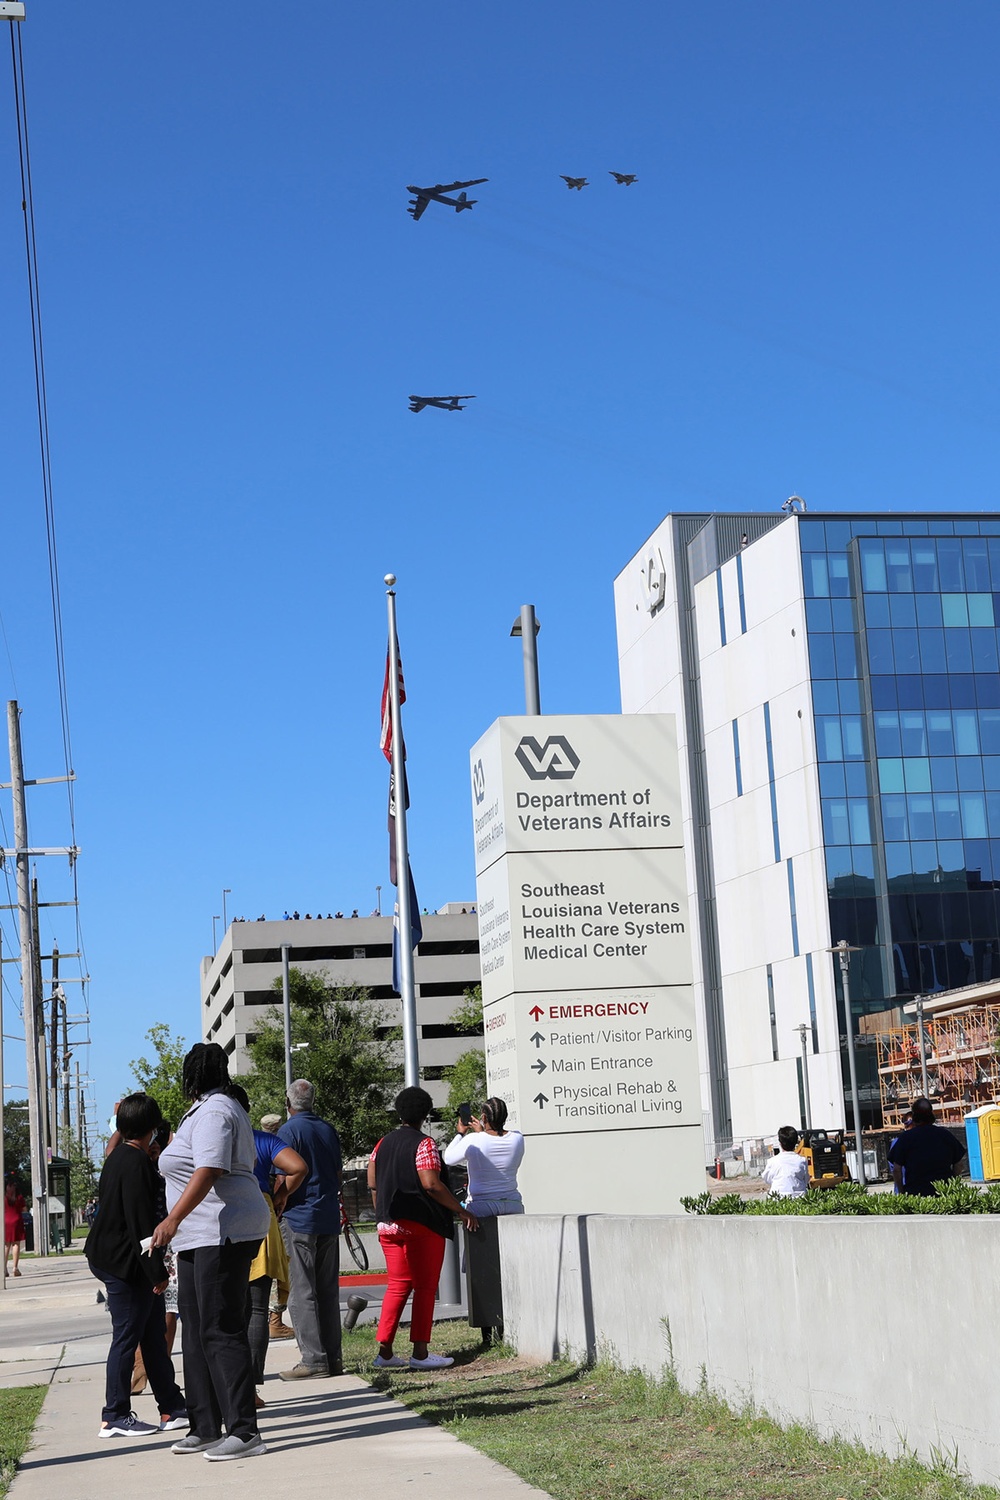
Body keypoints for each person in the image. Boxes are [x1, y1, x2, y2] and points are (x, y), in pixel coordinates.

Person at [153, 1043, 270, 1461]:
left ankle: (244, 1430)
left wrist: (172, 1220)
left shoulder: (217, 1111)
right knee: (197, 1326)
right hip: (198, 1235)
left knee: (221, 1327)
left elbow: (210, 1169)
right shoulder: (203, 1109)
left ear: (193, 1075)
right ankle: (204, 1426)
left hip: (222, 1229)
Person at [85, 1093, 187, 1439]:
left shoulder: (117, 1157)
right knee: (127, 1337)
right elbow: (143, 1226)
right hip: (124, 1264)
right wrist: (157, 1274)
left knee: (152, 1337)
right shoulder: (137, 1164)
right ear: (153, 1128)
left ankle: (172, 1406)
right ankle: (114, 1413)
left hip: (115, 1258)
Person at [368, 1086, 478, 1370]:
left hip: (388, 1224)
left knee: (397, 1285)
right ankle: (420, 1352)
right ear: (426, 1115)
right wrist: (459, 1209)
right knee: (426, 1287)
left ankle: (386, 1352)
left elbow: (372, 1183)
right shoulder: (425, 1144)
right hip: (421, 1224)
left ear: (399, 1112)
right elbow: (430, 1183)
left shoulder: (382, 1143)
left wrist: (383, 1211)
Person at [228, 1089, 308, 1405]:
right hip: (260, 1215)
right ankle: (250, 1389)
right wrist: (281, 1196)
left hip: (222, 1219)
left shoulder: (217, 1139)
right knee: (256, 1308)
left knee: (226, 1309)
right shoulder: (262, 1139)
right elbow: (298, 1167)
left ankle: (230, 1387)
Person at [276, 1079, 344, 1380]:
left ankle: (313, 1359)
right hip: (328, 1216)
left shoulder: (289, 1131)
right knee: (327, 1291)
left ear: (288, 1102)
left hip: (300, 1217)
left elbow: (285, 1173)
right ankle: (333, 1357)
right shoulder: (327, 1129)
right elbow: (338, 1172)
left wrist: (280, 1199)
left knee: (302, 1292)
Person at [443, 1097, 525, 1217]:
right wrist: (481, 1134)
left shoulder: (473, 1139)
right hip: (513, 1204)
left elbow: (448, 1158)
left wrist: (460, 1133)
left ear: (484, 1117)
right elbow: (491, 1142)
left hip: (481, 1205)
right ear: (505, 1116)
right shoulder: (518, 1138)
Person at [888, 1096, 966, 1196]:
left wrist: (902, 1192)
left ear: (914, 1116)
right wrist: (952, 1185)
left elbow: (896, 1169)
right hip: (943, 1193)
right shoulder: (945, 1135)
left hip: (916, 1195)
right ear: (931, 1115)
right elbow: (959, 1164)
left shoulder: (905, 1138)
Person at [760, 1126, 810, 1198]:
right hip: (799, 1200)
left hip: (777, 1199)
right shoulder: (801, 1161)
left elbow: (767, 1179)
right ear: (796, 1142)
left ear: (780, 1143)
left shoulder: (772, 1161)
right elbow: (806, 1179)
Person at [4, 1178, 26, 1277]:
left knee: (6, 1245)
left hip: (5, 1222)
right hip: (17, 1221)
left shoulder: (4, 1197)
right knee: (16, 1244)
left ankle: (3, 1268)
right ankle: (15, 1267)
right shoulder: (19, 1197)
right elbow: (24, 1209)